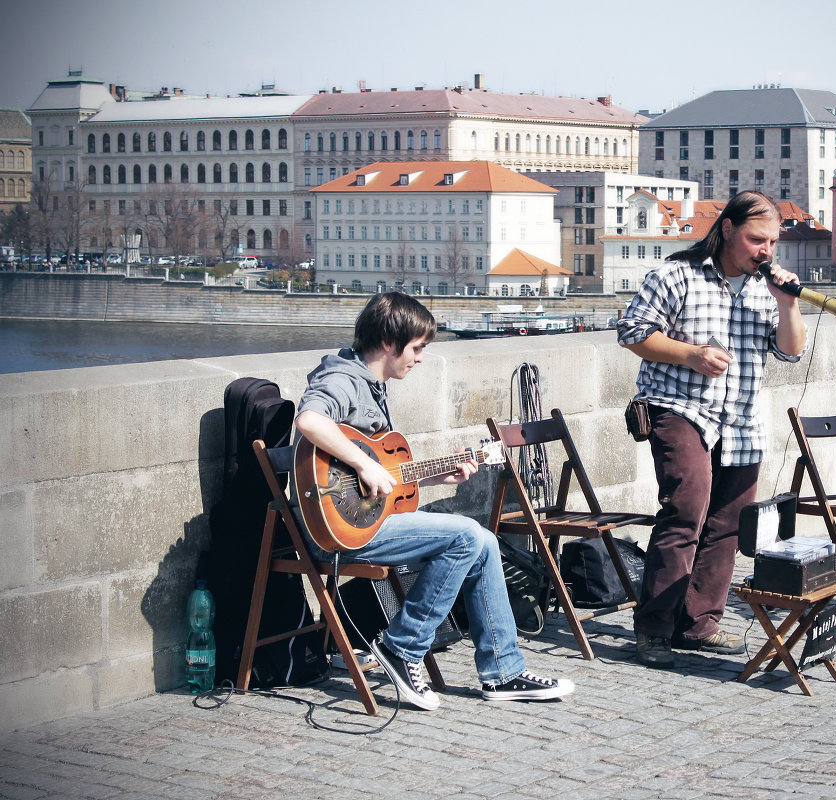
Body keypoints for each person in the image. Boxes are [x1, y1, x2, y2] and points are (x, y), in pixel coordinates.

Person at [294, 292, 574, 708]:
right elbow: (309, 420)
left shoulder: (370, 384)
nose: (421, 358)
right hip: (338, 532)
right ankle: (402, 646)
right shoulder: (343, 379)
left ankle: (503, 672)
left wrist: (438, 475)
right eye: (417, 348)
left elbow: (383, 481)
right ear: (390, 343)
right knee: (467, 536)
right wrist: (364, 465)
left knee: (479, 543)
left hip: (364, 520)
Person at [617, 191, 807, 668]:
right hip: (679, 407)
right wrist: (692, 354)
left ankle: (699, 624)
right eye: (755, 239)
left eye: (772, 243)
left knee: (727, 526)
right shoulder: (676, 274)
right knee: (685, 510)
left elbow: (790, 352)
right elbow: (633, 332)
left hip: (741, 417)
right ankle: (654, 628)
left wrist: (788, 306)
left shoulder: (768, 287)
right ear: (726, 230)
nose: (765, 251)